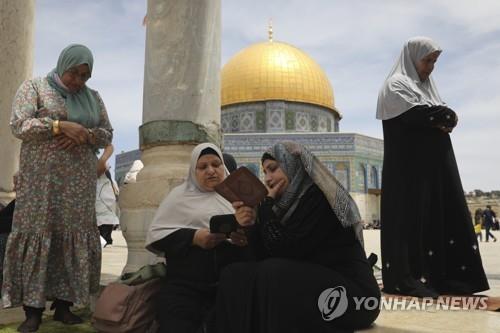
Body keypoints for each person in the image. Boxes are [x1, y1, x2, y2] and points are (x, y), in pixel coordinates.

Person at [2, 44, 113, 332]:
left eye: (84, 76)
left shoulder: (93, 98)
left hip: (78, 184)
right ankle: (33, 310)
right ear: (63, 64)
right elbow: (19, 125)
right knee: (39, 232)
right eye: (74, 73)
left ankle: (64, 306)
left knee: (71, 236)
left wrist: (85, 133)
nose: (78, 81)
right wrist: (58, 126)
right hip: (41, 182)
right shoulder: (35, 87)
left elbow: (106, 133)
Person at [217, 141, 380, 333]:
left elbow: (285, 250)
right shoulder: (282, 208)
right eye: (265, 173)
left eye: (273, 169)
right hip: (314, 287)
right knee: (235, 273)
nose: (268, 179)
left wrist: (266, 205)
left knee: (274, 270)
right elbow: (262, 257)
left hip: (356, 298)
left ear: (293, 166)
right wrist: (251, 227)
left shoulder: (320, 199)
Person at [376, 36, 489, 297]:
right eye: (427, 60)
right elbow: (423, 116)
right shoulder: (396, 85)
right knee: (411, 221)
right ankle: (409, 278)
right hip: (410, 172)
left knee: (439, 218)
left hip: (433, 171)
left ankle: (444, 278)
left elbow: (445, 118)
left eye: (434, 61)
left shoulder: (425, 88)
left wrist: (441, 117)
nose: (430, 67)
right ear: (412, 57)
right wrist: (439, 117)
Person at [145, 143, 250, 333]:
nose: (211, 171)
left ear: (223, 168)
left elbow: (256, 244)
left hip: (227, 288)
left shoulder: (237, 199)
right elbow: (158, 236)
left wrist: (243, 240)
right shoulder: (178, 197)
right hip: (185, 286)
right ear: (194, 171)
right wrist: (194, 237)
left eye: (216, 164)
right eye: (203, 167)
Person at [96, 144, 120, 247]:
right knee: (104, 223)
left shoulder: (108, 178)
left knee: (105, 223)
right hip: (103, 201)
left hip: (106, 202)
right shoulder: (103, 176)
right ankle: (106, 240)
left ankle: (107, 240)